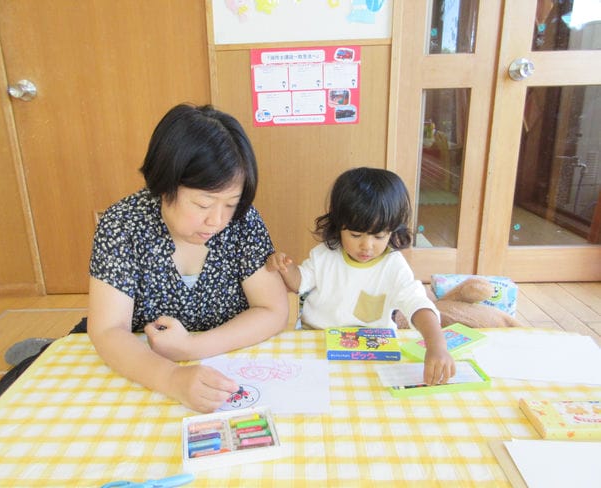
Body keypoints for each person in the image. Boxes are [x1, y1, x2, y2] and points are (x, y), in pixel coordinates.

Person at [88, 103, 289, 413]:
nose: (218, 221)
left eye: (230, 204)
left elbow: (273, 309)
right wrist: (172, 378)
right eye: (203, 204)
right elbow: (107, 330)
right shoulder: (122, 224)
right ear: (165, 184)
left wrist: (193, 347)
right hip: (148, 371)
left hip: (227, 368)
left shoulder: (243, 221)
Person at [267, 167, 455, 385]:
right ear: (338, 227)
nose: (367, 245)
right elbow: (299, 282)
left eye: (378, 235)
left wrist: (437, 346)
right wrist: (284, 267)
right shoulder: (325, 255)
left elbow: (417, 303)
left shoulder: (393, 265)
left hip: (374, 350)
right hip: (318, 339)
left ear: (393, 231)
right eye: (355, 235)